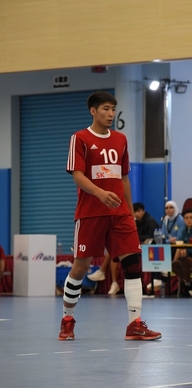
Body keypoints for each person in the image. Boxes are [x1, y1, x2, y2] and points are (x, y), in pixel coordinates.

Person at [60, 91, 160, 341]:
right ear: (93, 111)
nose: (111, 114)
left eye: (113, 109)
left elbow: (124, 178)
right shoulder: (79, 138)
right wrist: (100, 193)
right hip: (91, 214)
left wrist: (130, 212)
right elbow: (77, 175)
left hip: (120, 215)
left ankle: (134, 324)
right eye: (106, 109)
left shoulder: (121, 139)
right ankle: (67, 320)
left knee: (133, 264)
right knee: (80, 268)